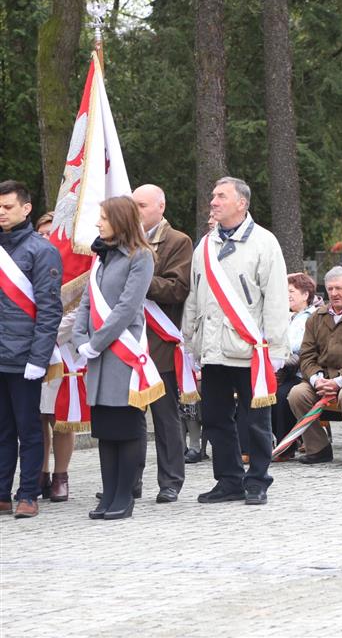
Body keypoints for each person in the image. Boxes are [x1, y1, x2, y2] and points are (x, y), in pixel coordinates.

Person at [183, 177, 289, 506]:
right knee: (215, 418)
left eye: (221, 196)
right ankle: (228, 479)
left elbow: (275, 299)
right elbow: (194, 297)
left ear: (241, 203)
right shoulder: (205, 245)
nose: (213, 201)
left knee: (254, 420)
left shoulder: (264, 242)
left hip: (249, 350)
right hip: (213, 349)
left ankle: (257, 480)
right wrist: (190, 342)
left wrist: (275, 349)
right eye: (213, 195)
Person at [73, 196, 161, 520]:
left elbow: (127, 307)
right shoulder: (102, 257)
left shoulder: (141, 257)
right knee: (105, 430)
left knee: (125, 427)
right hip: (98, 356)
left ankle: (124, 495)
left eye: (104, 217)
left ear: (121, 220)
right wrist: (81, 340)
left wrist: (96, 342)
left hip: (123, 354)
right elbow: (86, 302)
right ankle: (108, 493)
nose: (99, 223)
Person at [0, 180, 64, 519]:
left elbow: (49, 310)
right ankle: (2, 495)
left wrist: (39, 359)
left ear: (26, 208)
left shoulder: (42, 250)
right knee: (2, 431)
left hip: (25, 358)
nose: (1, 213)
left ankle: (28, 494)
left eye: (7, 207)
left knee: (29, 430)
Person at [132, 183, 193, 504]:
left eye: (142, 205)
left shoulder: (177, 241)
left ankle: (170, 481)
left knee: (165, 416)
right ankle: (129, 479)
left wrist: (138, 278)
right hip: (129, 341)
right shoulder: (123, 240)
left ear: (161, 206)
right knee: (129, 415)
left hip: (160, 340)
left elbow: (177, 289)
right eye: (133, 205)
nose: (136, 211)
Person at [288, 267, 342, 464]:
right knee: (297, 394)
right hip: (323, 378)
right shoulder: (317, 316)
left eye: (339, 288)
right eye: (330, 289)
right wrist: (316, 378)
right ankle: (318, 448)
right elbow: (307, 354)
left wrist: (339, 381)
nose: (334, 293)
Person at [32, 212, 74, 502]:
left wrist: (46, 332)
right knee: (36, 417)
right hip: (33, 350)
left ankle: (61, 475)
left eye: (52, 233)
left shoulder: (74, 267)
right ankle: (40, 473)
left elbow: (79, 311)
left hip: (64, 349)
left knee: (60, 417)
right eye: (42, 233)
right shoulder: (27, 263)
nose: (47, 238)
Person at [272, 272, 318, 460]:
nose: (287, 295)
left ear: (306, 294)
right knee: (267, 393)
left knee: (283, 395)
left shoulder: (311, 316)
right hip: (283, 368)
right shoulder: (288, 316)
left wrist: (280, 352)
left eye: (291, 291)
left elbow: (299, 347)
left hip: (302, 371)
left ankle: (286, 447)